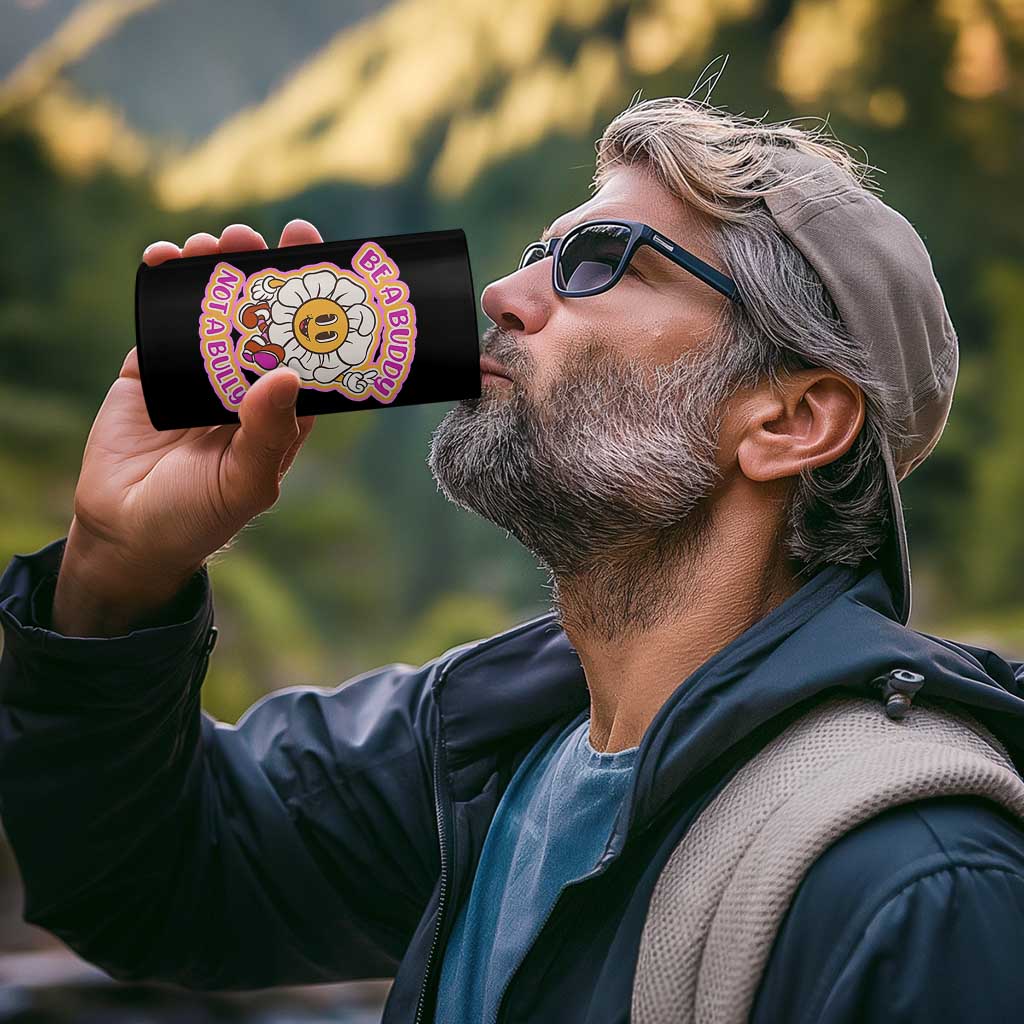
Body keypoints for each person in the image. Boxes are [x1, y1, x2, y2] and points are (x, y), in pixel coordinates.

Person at [2, 95, 1024, 1024]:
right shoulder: (479, 749)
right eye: (540, 252)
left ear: (791, 419)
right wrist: (116, 571)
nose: (502, 292)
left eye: (600, 261)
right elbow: (149, 880)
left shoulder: (918, 883)